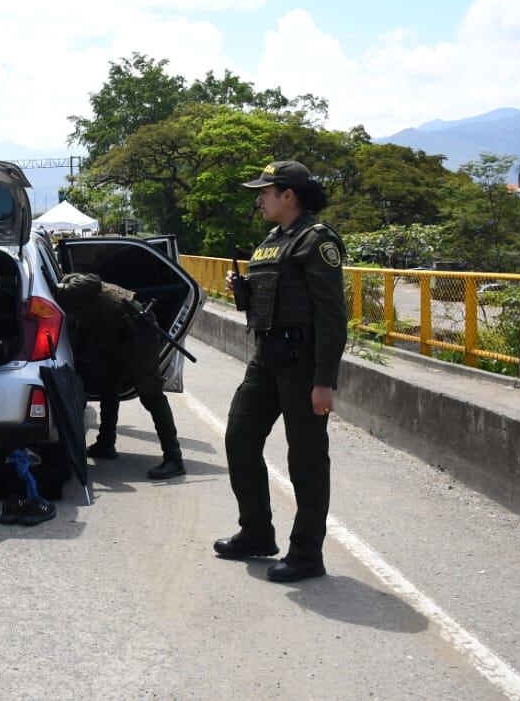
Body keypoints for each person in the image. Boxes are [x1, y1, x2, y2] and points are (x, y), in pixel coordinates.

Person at [215, 160, 347, 582]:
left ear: (288, 195)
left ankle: (307, 553)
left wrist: (324, 381)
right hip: (266, 358)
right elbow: (267, 304)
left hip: (302, 363)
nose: (260, 198)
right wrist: (244, 292)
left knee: (306, 459)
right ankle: (256, 533)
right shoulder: (272, 241)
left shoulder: (316, 240)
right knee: (239, 437)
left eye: (266, 191)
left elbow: (331, 316)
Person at [53, 272, 185, 480]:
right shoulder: (67, 295)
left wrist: (60, 289)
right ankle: (106, 443)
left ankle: (174, 458)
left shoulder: (72, 285)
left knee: (151, 394)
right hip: (116, 333)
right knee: (109, 384)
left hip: (138, 330)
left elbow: (93, 280)